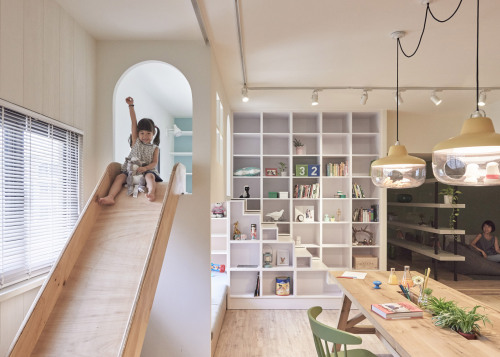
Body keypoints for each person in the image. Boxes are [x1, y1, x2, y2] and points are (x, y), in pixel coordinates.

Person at [99, 96, 162, 205]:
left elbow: (154, 162)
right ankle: (110, 196)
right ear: (138, 134)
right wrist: (131, 106)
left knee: (150, 176)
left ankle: (151, 193)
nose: (145, 136)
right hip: (131, 170)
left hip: (145, 170)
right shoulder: (135, 142)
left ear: (153, 134)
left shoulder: (155, 148)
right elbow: (133, 122)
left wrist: (146, 168)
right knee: (119, 177)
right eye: (142, 133)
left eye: (148, 133)